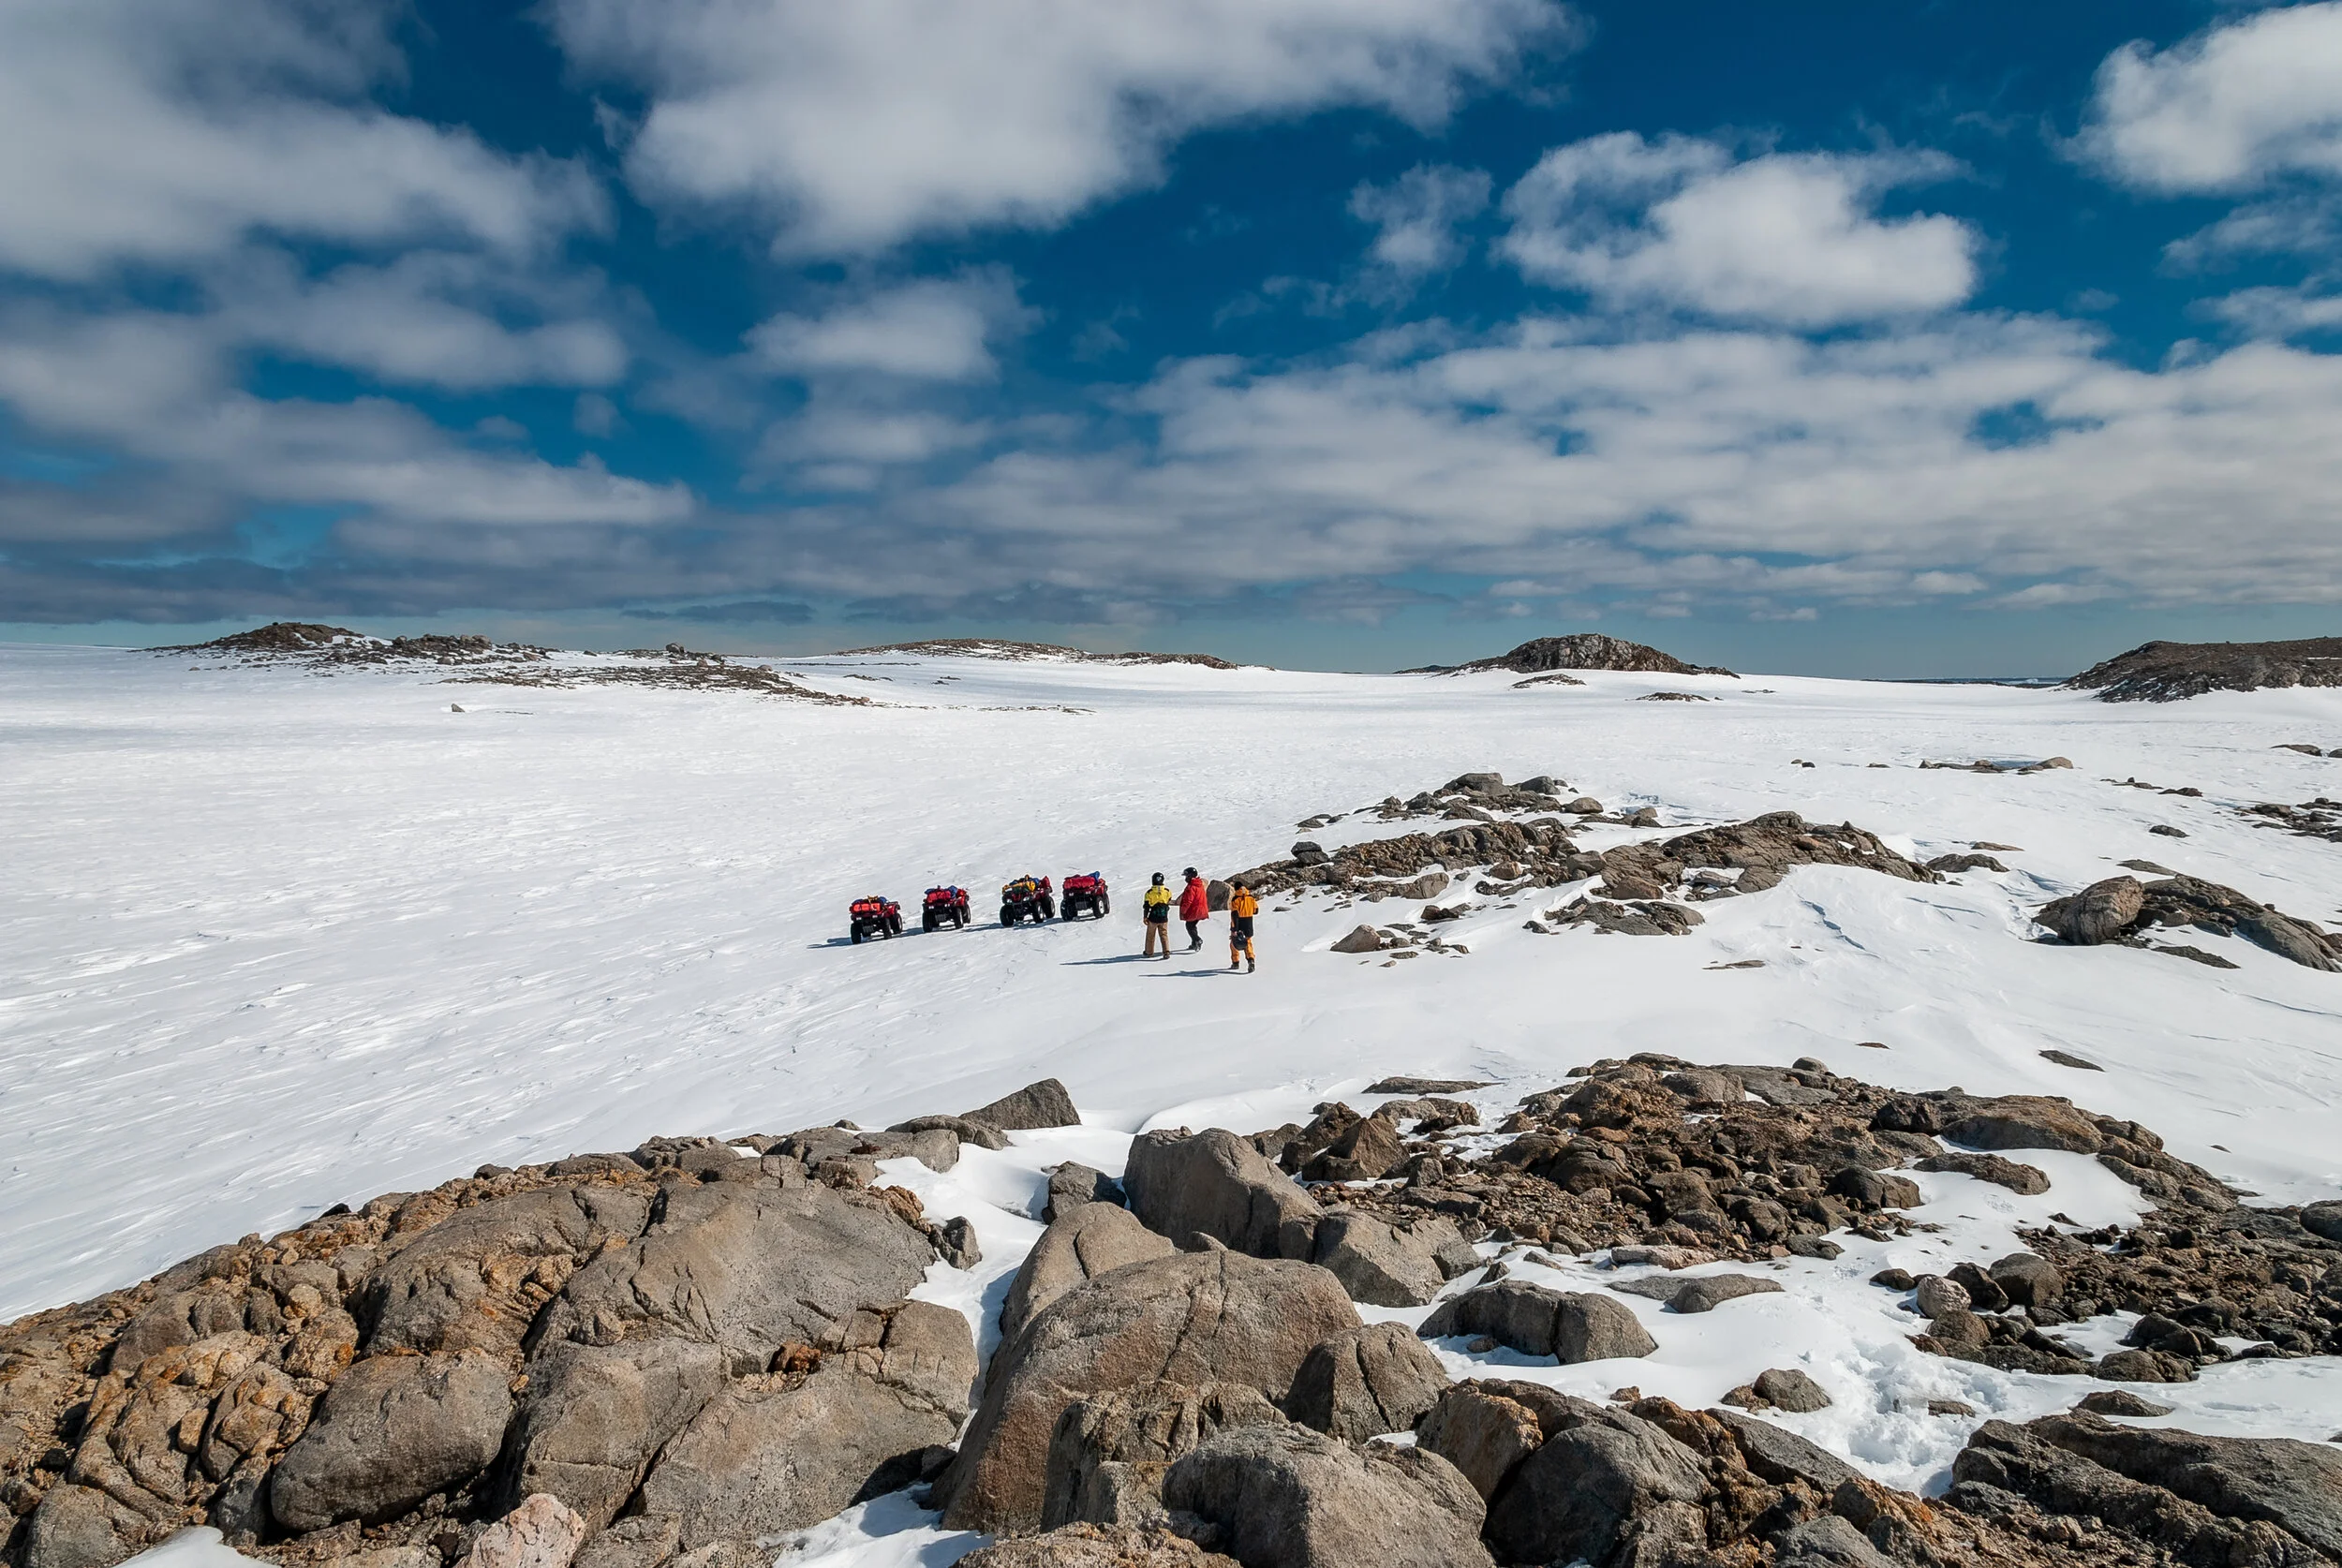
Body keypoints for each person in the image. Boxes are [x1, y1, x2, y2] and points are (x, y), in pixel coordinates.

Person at [1226, 880, 1258, 972]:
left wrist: (1234, 929)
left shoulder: (1235, 899)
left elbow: (1234, 915)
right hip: (1248, 923)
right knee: (1247, 942)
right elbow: (1256, 911)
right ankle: (1251, 960)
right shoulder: (1251, 897)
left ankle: (1235, 963)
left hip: (1238, 923)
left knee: (1234, 943)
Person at [1141, 871, 1174, 958]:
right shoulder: (1167, 891)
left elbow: (1147, 906)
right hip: (1164, 917)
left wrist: (1145, 917)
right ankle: (1166, 952)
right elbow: (1169, 900)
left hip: (1153, 917)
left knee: (1150, 935)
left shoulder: (1149, 893)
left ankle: (1149, 952)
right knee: (1164, 934)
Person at [1178, 867, 1209, 951]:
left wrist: (1183, 911)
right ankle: (1194, 943)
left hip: (1194, 910)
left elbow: (1188, 901)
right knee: (1192, 926)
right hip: (1202, 910)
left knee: (1189, 926)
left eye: (1186, 876)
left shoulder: (1191, 887)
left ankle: (1197, 940)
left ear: (1190, 876)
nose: (1185, 878)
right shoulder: (1199, 884)